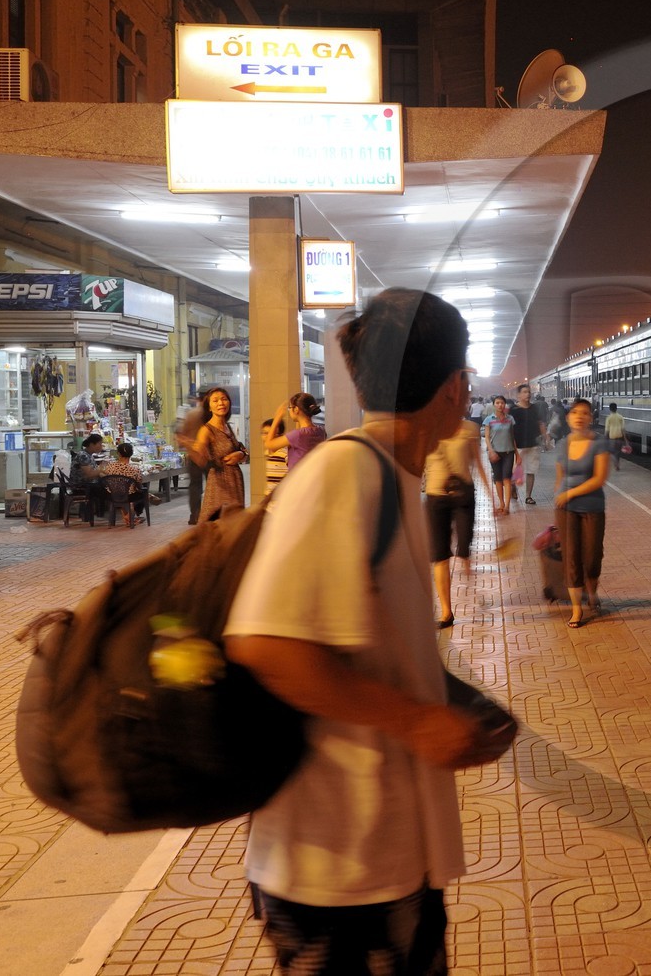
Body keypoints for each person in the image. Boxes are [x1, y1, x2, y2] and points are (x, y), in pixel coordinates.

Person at [224, 288, 508, 976]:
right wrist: (416, 723)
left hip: (382, 855)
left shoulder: (391, 478)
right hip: (333, 869)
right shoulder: (346, 473)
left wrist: (451, 704)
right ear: (455, 386)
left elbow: (366, 645)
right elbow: (266, 643)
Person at [425, 416, 495, 628]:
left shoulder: (469, 428)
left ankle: (465, 558)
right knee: (440, 556)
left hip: (463, 495)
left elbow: (477, 462)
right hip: (436, 497)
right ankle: (447, 612)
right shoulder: (426, 426)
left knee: (464, 545)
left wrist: (492, 496)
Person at [554, 398, 612, 628]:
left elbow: (600, 478)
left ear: (591, 418)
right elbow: (560, 477)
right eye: (575, 412)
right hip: (566, 510)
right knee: (571, 558)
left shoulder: (599, 443)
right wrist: (560, 498)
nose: (579, 416)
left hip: (592, 507)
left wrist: (570, 493)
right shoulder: (562, 444)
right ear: (568, 418)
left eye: (585, 413)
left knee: (592, 557)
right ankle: (577, 609)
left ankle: (592, 592)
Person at [189, 387, 247, 522]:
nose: (221, 403)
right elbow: (199, 456)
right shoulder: (206, 430)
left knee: (235, 524)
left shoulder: (227, 426)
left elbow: (241, 449)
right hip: (220, 484)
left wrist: (240, 454)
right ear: (209, 407)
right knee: (222, 525)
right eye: (215, 401)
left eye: (224, 399)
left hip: (235, 481)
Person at [266, 393, 327, 472]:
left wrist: (277, 418)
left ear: (296, 409)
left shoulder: (298, 435)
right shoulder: (320, 431)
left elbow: (269, 444)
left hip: (298, 480)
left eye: (290, 408)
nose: (289, 410)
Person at [97, 441, 149, 527]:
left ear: (118, 453)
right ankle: (130, 516)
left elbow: (104, 475)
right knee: (144, 493)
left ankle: (128, 516)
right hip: (129, 496)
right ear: (131, 454)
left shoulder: (110, 466)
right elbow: (139, 484)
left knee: (123, 492)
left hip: (112, 495)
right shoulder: (135, 469)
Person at [482, 396, 516, 516]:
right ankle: (501, 503)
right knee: (498, 478)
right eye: (497, 403)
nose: (500, 405)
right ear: (494, 405)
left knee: (507, 477)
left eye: (502, 403)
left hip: (508, 452)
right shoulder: (488, 420)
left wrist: (517, 454)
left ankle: (507, 506)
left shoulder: (510, 419)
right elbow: (486, 437)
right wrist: (491, 451)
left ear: (505, 404)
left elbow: (512, 437)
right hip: (495, 452)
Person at [510, 384, 544, 504]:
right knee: (516, 471)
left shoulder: (534, 408)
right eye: (524, 392)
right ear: (519, 395)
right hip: (518, 445)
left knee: (531, 471)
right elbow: (510, 429)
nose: (527, 394)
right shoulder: (513, 410)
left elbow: (540, 423)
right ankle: (513, 487)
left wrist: (545, 437)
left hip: (533, 444)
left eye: (529, 392)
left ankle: (528, 496)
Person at [175, 400, 207, 525]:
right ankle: (210, 512)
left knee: (195, 486)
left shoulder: (190, 414)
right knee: (212, 484)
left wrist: (188, 447)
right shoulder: (209, 414)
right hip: (207, 455)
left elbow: (182, 435)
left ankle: (195, 514)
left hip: (193, 456)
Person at [261, 419, 288, 496]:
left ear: (280, 435)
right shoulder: (268, 453)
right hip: (270, 500)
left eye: (270, 433)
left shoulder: (284, 453)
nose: (267, 437)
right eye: (264, 433)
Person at [604, 402, 627, 470]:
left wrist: (605, 439)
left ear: (610, 409)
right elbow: (623, 429)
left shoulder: (609, 418)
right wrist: (625, 439)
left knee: (612, 452)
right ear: (616, 408)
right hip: (619, 438)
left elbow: (607, 430)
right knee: (618, 452)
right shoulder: (620, 417)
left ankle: (616, 464)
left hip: (612, 438)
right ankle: (617, 464)